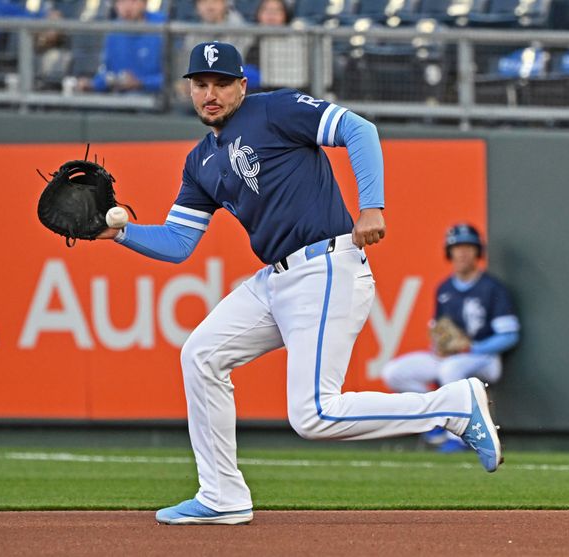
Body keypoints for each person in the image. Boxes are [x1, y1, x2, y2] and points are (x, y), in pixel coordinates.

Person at [98, 42, 503, 525]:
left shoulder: (275, 110)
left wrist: (372, 204)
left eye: (222, 83)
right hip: (274, 279)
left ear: (241, 86)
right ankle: (222, 495)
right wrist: (118, 233)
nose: (211, 93)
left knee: (313, 414)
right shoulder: (200, 161)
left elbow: (359, 129)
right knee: (201, 354)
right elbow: (179, 240)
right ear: (189, 88)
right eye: (201, 84)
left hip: (326, 265)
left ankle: (453, 406)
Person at [381, 223, 520, 452]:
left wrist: (472, 348)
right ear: (449, 252)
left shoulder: (492, 288)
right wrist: (439, 345)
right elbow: (440, 332)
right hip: (452, 357)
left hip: (485, 357)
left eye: (468, 247)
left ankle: (459, 437)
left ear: (478, 251)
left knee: (449, 370)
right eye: (457, 247)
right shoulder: (444, 288)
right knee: (393, 372)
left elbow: (509, 334)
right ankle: (435, 418)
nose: (463, 252)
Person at [76, 0, 164, 94]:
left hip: (155, 100)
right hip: (119, 99)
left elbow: (174, 78)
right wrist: (91, 84)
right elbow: (108, 73)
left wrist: (141, 82)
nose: (127, 7)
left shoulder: (163, 26)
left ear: (144, 3)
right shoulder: (113, 31)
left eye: (133, 1)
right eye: (121, 2)